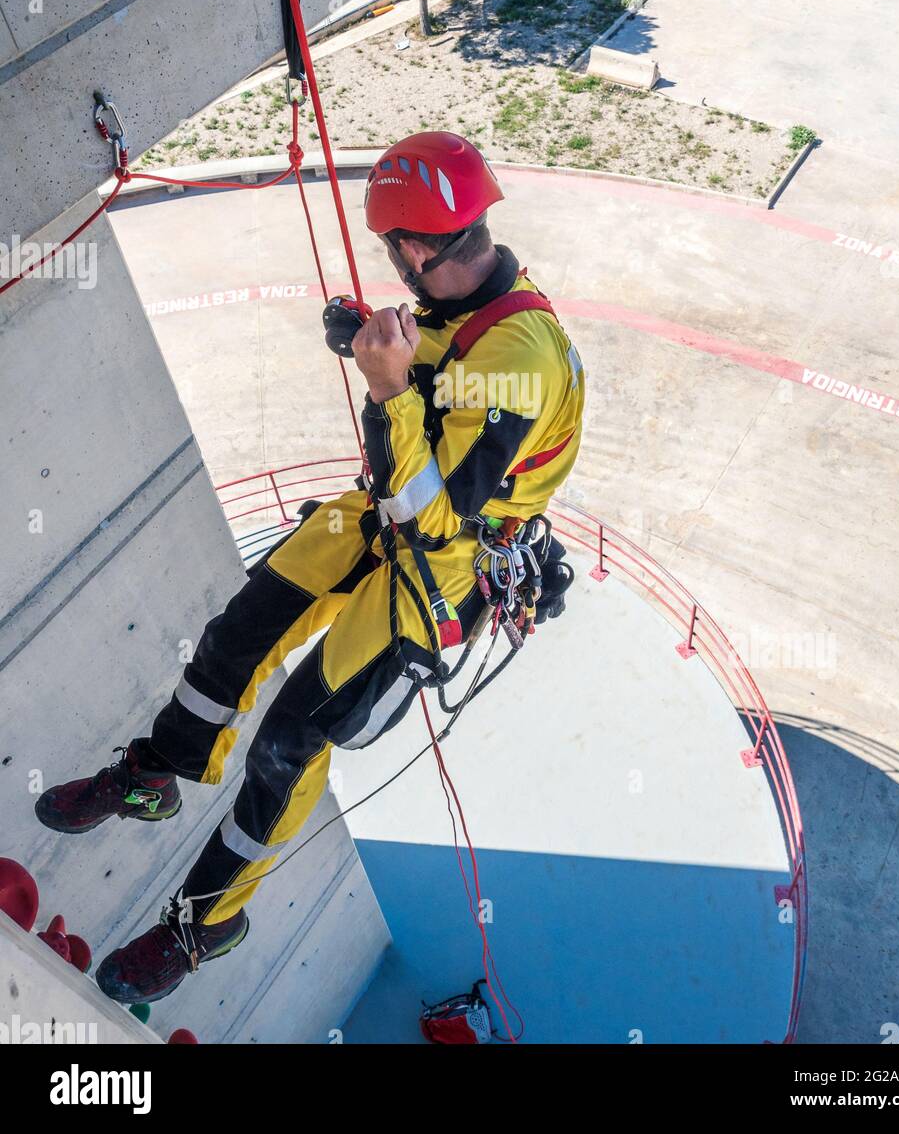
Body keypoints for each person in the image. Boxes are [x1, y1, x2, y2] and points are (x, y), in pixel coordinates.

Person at [35, 131, 585, 1004]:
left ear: (412, 247)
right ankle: (158, 770)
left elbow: (436, 512)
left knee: (290, 746)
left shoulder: (520, 360)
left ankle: (204, 922)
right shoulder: (474, 302)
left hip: (437, 565)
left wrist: (387, 389)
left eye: (390, 248)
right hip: (380, 517)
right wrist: (370, 343)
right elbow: (443, 367)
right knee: (236, 636)